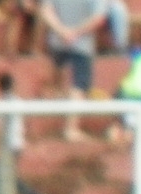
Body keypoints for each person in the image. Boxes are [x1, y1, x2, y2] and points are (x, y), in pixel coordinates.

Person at [40, 0, 110, 135]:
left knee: (57, 80)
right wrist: (74, 33)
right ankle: (71, 128)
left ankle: (50, 124)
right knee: (78, 86)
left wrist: (62, 31)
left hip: (57, 42)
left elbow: (46, 11)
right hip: (81, 45)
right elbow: (98, 18)